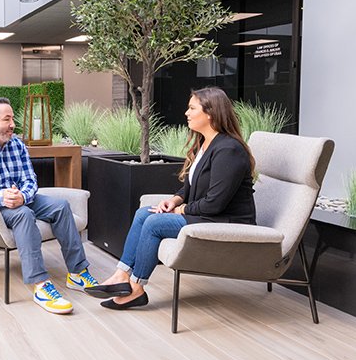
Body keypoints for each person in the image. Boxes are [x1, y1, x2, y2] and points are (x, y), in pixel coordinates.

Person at [86, 86, 256, 309]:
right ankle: (121, 275)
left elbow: (215, 203)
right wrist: (174, 200)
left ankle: (136, 288)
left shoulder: (229, 150)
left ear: (210, 113)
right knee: (143, 213)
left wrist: (181, 210)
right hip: (209, 216)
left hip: (227, 221)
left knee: (155, 222)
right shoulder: (206, 144)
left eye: (192, 108)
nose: (186, 112)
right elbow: (191, 186)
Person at [0, 97, 98, 314]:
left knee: (61, 206)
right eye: (7, 119)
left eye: (12, 118)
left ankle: (78, 273)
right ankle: (41, 285)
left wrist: (22, 195)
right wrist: (0, 197)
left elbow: (30, 179)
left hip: (23, 199)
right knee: (23, 214)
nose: (13, 124)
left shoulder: (17, 145)